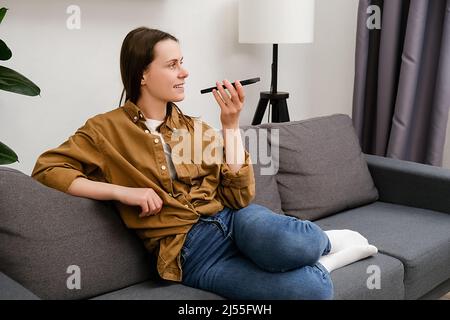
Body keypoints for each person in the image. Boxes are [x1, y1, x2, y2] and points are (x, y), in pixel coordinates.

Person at [31, 27, 377, 300]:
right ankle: (326, 259)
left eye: (182, 61)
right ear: (142, 75)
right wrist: (124, 192)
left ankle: (325, 242)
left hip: (234, 221)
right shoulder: (105, 130)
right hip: (191, 255)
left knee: (289, 243)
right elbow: (48, 170)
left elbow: (240, 198)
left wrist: (229, 125)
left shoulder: (195, 128)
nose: (185, 72)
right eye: (172, 65)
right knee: (313, 291)